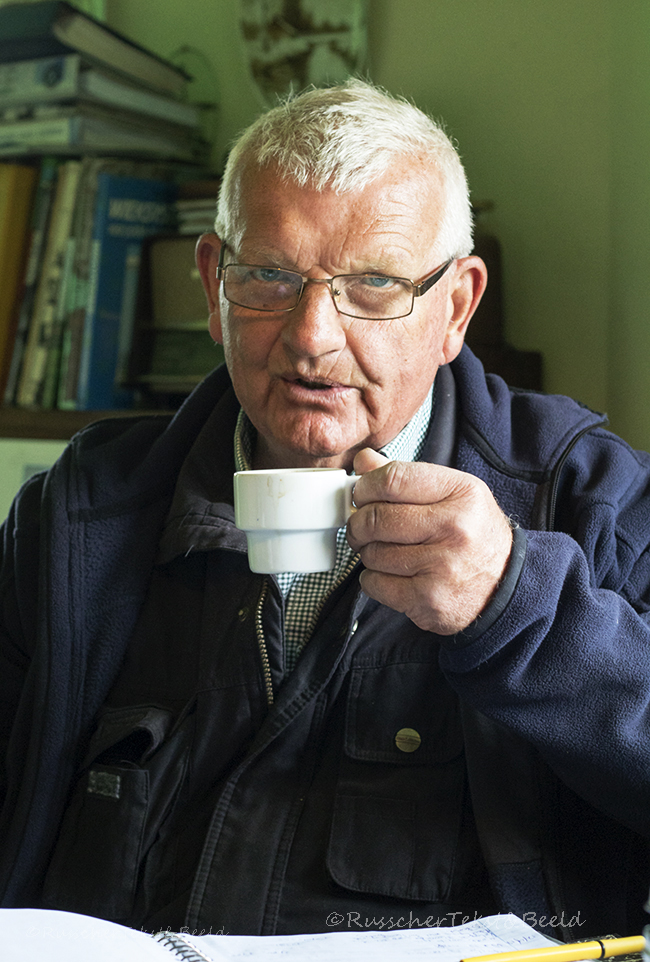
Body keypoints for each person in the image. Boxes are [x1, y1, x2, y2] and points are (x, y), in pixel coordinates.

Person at [0, 79, 649, 941]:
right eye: (268, 276)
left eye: (374, 284)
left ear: (455, 307)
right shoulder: (81, 513)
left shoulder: (590, 500)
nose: (312, 336)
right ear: (212, 283)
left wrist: (519, 607)